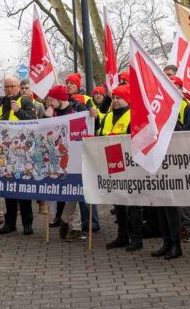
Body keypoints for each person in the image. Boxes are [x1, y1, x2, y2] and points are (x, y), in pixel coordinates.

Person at [99, 85, 144, 252]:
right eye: (114, 98)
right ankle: (122, 236)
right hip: (113, 163)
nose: (116, 101)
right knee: (118, 201)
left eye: (119, 98)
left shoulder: (134, 115)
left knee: (134, 204)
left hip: (131, 165)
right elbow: (100, 135)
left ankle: (136, 238)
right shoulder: (109, 116)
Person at [42, 85, 88, 241]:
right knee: (66, 191)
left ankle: (69, 222)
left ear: (59, 98)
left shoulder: (78, 108)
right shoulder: (51, 112)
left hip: (76, 157)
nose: (49, 102)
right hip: (57, 159)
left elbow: (91, 124)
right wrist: (46, 118)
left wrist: (94, 115)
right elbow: (43, 132)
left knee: (73, 190)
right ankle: (72, 224)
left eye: (51, 99)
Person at [0, 75, 37, 235]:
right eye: (6, 87)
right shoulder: (1, 103)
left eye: (12, 86)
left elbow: (34, 122)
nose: (9, 89)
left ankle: (27, 223)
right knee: (8, 189)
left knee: (23, 190)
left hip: (21, 154)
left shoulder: (25, 102)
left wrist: (19, 112)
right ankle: (10, 223)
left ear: (18, 87)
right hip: (5, 153)